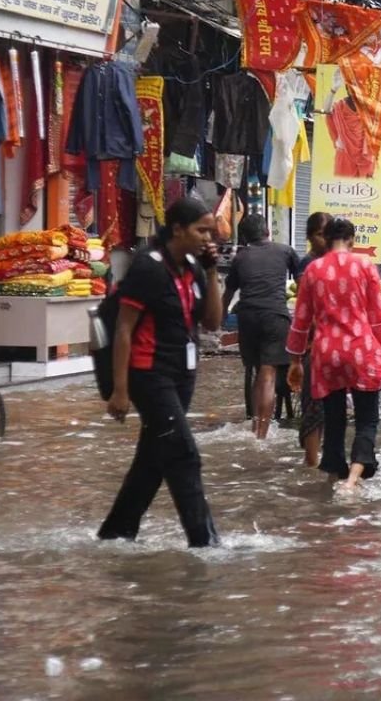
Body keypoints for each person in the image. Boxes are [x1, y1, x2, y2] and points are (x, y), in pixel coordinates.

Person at [98, 197, 223, 548]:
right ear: (178, 229)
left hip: (182, 376)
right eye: (201, 230)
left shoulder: (193, 268)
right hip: (149, 375)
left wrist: (212, 270)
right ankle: (206, 543)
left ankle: (116, 533)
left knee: (153, 459)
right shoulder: (148, 268)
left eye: (210, 231)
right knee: (184, 454)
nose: (207, 237)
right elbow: (124, 329)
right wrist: (120, 390)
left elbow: (212, 321)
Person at [286, 218, 381, 491]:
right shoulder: (365, 267)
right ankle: (353, 480)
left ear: (327, 239)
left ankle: (334, 477)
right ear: (352, 240)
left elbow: (301, 321)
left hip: (325, 354)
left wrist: (296, 360)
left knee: (334, 420)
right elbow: (377, 314)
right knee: (367, 419)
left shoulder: (313, 270)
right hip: (360, 349)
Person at [223, 214, 300, 440]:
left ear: (245, 237)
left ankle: (257, 425)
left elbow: (228, 293)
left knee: (258, 372)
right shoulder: (286, 251)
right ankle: (261, 436)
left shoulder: (241, 257)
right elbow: (303, 284)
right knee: (268, 374)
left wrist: (219, 320)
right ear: (267, 230)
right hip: (275, 317)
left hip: (247, 318)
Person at [296, 211, 331, 467]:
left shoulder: (338, 264)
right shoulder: (307, 266)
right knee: (313, 407)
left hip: (336, 345)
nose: (325, 239)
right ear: (310, 237)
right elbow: (305, 310)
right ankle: (311, 463)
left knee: (331, 409)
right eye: (320, 234)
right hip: (314, 345)